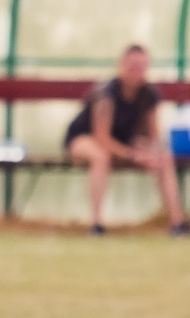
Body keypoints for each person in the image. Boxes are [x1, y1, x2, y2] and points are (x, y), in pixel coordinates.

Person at [65, 45, 187, 236]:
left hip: (123, 143)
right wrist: (133, 156)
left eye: (141, 66)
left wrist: (152, 154)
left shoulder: (149, 95)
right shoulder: (106, 93)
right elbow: (101, 137)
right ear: (121, 65)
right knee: (100, 156)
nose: (136, 71)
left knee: (164, 156)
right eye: (132, 66)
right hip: (85, 138)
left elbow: (153, 136)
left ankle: (177, 225)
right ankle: (97, 225)